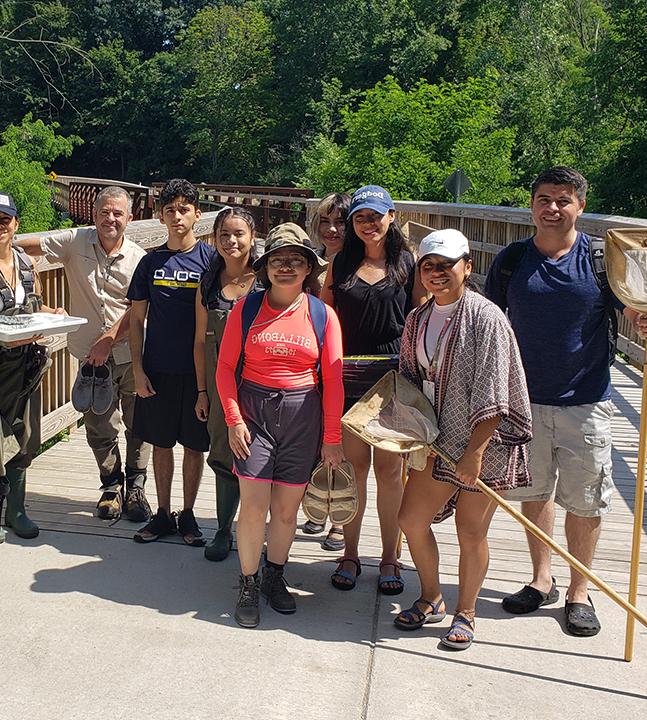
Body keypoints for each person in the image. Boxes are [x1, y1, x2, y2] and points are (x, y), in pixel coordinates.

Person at [486, 166, 647, 636]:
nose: (552, 208)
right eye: (544, 198)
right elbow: (491, 321)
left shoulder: (601, 261)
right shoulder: (512, 260)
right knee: (535, 492)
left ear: (580, 206)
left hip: (586, 399)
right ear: (531, 204)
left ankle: (579, 591)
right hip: (524, 399)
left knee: (586, 500)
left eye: (563, 200)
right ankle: (541, 578)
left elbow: (632, 309)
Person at [393, 228, 532, 651]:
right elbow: (409, 378)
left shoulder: (487, 317)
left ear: (467, 267)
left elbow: (496, 391)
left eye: (447, 265)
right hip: (436, 439)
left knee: (471, 530)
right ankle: (431, 596)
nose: (437, 273)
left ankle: (466, 612)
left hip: (482, 443)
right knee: (410, 521)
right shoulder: (418, 317)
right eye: (429, 265)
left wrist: (474, 454)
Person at [215, 223, 345, 628]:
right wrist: (233, 420)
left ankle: (275, 575)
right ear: (265, 267)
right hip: (254, 413)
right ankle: (249, 582)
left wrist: (332, 438)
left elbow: (333, 380)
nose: (286, 268)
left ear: (308, 268)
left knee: (286, 512)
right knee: (254, 507)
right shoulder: (246, 309)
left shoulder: (323, 315)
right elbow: (223, 368)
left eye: (295, 261)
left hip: (302, 416)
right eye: (277, 261)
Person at [15, 186, 151, 522]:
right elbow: (29, 244)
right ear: (93, 214)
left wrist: (107, 339)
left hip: (132, 353)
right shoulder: (75, 241)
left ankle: (136, 487)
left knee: (139, 424)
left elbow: (138, 308)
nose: (110, 218)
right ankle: (111, 486)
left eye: (118, 213)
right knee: (98, 424)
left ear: (130, 219)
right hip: (90, 359)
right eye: (104, 211)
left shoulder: (139, 259)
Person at [319, 185, 427, 591]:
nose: (369, 224)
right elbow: (325, 317)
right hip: (347, 378)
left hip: (393, 380)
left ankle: (389, 557)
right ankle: (349, 554)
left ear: (392, 217)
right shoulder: (340, 264)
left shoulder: (407, 264)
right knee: (352, 471)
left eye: (376, 216)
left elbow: (418, 317)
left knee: (389, 473)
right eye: (361, 217)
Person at [0, 190, 64, 541]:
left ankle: (17, 510)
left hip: (26, 363)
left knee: (25, 433)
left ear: (16, 224)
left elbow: (35, 307)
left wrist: (54, 314)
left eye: (4, 219)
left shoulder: (25, 261)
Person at [127, 178, 217, 545]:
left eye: (184, 209)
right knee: (161, 444)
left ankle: (189, 514)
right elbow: (135, 319)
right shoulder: (151, 262)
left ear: (197, 214)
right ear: (160, 216)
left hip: (198, 373)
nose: (177, 216)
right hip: (158, 369)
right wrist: (137, 368)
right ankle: (163, 514)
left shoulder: (211, 261)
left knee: (194, 447)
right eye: (170, 210)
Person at [193, 207, 263, 562]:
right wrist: (202, 391)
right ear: (215, 238)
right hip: (222, 384)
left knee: (265, 455)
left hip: (262, 380)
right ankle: (223, 529)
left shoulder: (267, 279)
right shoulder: (208, 282)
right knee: (223, 451)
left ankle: (261, 532)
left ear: (252, 237)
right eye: (224, 235)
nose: (231, 241)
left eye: (239, 234)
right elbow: (200, 341)